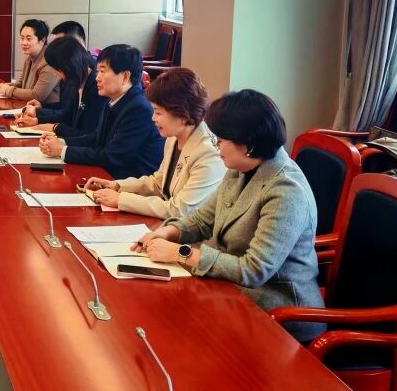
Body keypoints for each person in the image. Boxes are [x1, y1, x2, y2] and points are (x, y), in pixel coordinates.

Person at [132, 90, 325, 342]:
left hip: (279, 312)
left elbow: (254, 270)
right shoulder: (241, 166)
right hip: (231, 291)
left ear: (247, 146)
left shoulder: (286, 191)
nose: (216, 146)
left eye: (220, 140)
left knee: (178, 329)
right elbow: (203, 219)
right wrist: (167, 232)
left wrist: (181, 253)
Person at [84, 68, 225, 219]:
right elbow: (158, 183)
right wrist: (118, 186)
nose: (153, 118)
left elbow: (180, 210)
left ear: (183, 114)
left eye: (158, 113)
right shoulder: (173, 138)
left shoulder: (208, 153)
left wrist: (121, 199)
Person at [37, 43, 164, 179]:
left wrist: (63, 151)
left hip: (128, 182)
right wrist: (61, 142)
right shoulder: (116, 99)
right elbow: (96, 138)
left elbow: (113, 158)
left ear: (125, 76)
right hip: (109, 176)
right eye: (98, 71)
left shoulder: (139, 109)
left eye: (103, 71)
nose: (97, 78)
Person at [14, 37, 107, 140]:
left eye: (56, 69)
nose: (55, 74)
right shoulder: (77, 83)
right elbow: (68, 115)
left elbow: (87, 134)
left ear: (68, 66)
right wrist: (37, 120)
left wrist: (55, 128)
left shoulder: (97, 89)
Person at [0, 19, 59, 104]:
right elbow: (21, 83)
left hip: (46, 109)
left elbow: (37, 95)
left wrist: (8, 90)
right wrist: (4, 86)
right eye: (22, 38)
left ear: (42, 40)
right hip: (30, 107)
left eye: (29, 39)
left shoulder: (50, 61)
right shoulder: (29, 58)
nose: (24, 43)